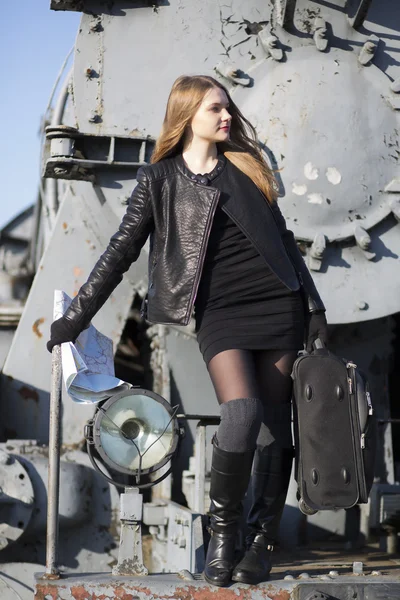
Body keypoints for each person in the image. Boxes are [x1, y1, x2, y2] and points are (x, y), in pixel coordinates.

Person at [47, 74, 328, 587]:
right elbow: (120, 251)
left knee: (272, 430)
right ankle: (225, 534)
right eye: (215, 109)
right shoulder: (158, 180)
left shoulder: (248, 168)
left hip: (277, 305)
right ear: (187, 117)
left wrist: (314, 306)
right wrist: (77, 318)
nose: (227, 117)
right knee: (240, 415)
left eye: (227, 108)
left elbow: (284, 240)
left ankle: (261, 539)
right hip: (221, 311)